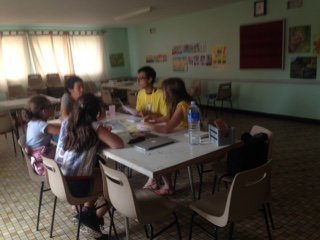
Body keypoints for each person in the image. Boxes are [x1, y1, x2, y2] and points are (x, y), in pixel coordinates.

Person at [55, 93, 124, 239]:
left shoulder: (67, 122)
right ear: (97, 112)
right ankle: (90, 217)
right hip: (75, 186)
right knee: (116, 186)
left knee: (99, 173)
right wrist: (102, 131)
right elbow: (118, 144)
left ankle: (87, 215)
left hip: (60, 181)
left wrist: (100, 136)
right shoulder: (94, 126)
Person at [143, 77, 193, 195]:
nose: (163, 94)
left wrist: (149, 126)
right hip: (181, 137)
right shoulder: (181, 102)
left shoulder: (182, 106)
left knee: (160, 152)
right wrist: (155, 120)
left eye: (164, 91)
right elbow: (170, 118)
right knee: (158, 148)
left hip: (186, 143)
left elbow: (166, 129)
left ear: (171, 93)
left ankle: (166, 186)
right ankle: (155, 179)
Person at [25, 95, 60, 176]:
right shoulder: (41, 125)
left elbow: (51, 126)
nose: (53, 109)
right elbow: (61, 131)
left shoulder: (33, 122)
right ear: (44, 111)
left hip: (37, 159)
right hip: (43, 164)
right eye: (51, 107)